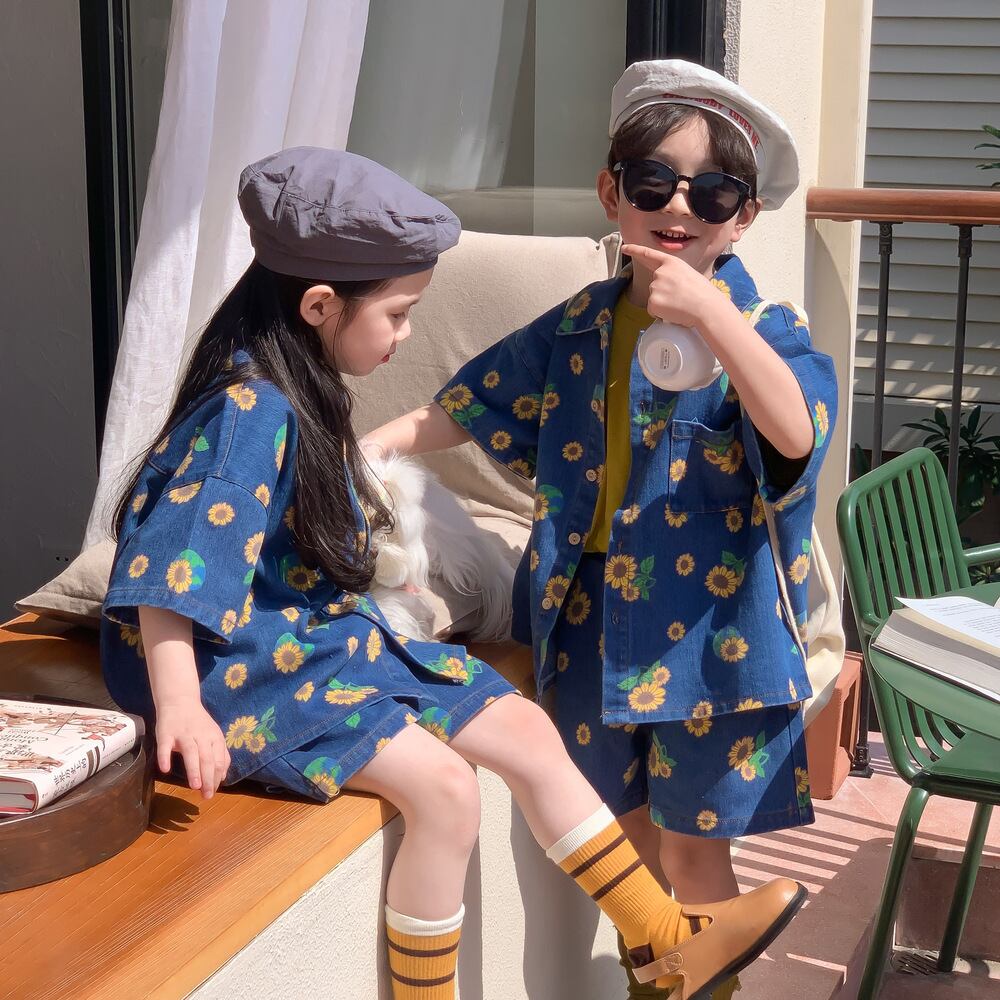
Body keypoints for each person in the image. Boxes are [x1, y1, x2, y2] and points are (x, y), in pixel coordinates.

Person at [101, 146, 805, 1000]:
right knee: (443, 792)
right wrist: (180, 703)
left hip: (310, 637)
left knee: (529, 734)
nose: (406, 336)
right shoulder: (248, 410)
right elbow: (171, 569)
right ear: (320, 305)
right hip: (234, 667)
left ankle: (662, 937)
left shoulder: (299, 389)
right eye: (399, 315)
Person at [364, 60, 837, 998]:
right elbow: (468, 404)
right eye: (653, 182)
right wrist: (365, 450)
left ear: (743, 218)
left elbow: (794, 433)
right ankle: (652, 984)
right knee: (629, 850)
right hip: (586, 628)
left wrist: (714, 319)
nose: (679, 207)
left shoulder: (764, 324)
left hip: (713, 641)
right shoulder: (579, 324)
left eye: (713, 192)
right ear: (612, 193)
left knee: (694, 856)